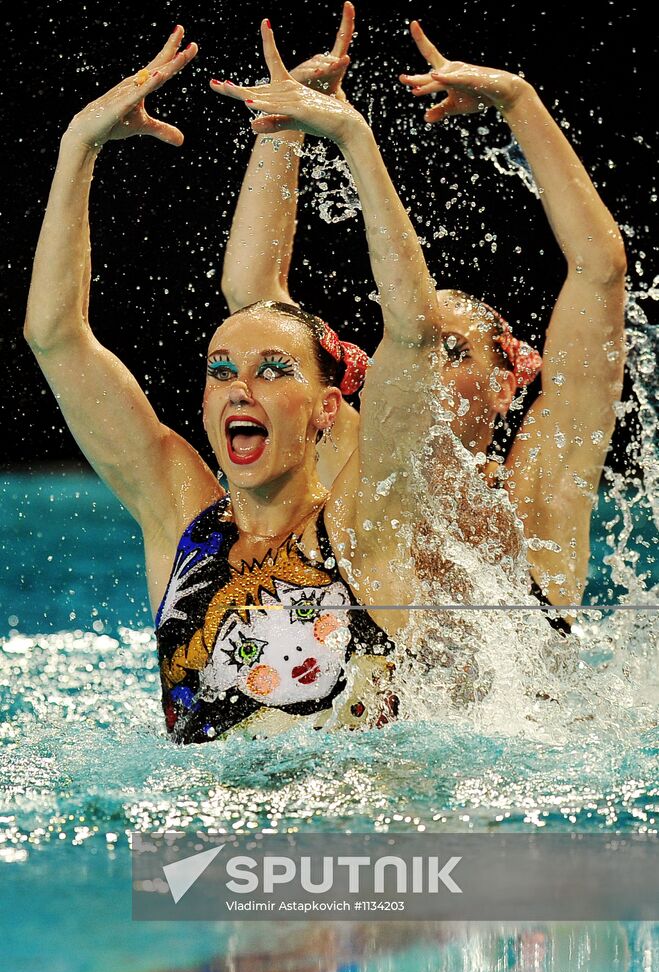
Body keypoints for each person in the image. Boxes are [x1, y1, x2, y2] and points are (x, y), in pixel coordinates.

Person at [24, 22, 523, 743]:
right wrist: (78, 147)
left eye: (271, 370)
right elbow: (56, 337)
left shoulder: (364, 526)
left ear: (327, 407)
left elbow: (411, 334)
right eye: (220, 371)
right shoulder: (178, 518)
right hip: (213, 834)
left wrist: (353, 139)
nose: (238, 389)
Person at [221, 5, 627, 625]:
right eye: (420, 344)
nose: (426, 363)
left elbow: (599, 270)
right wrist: (288, 121)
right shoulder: (349, 459)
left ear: (501, 388)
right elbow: (254, 298)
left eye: (456, 351)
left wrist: (520, 102)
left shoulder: (539, 494)